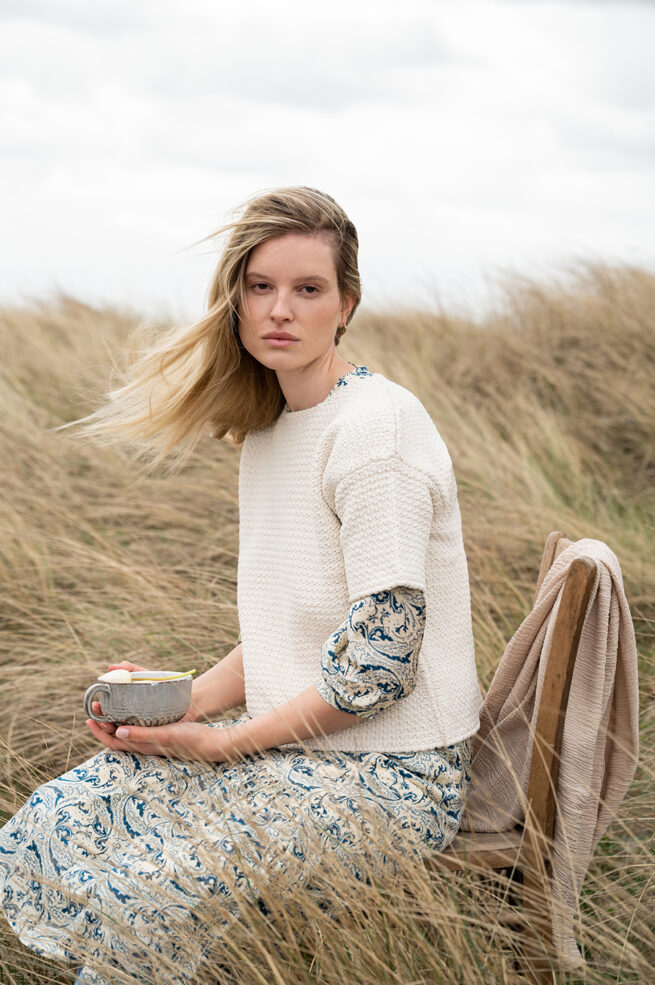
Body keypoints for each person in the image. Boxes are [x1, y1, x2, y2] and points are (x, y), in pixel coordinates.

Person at [0, 186, 482, 985]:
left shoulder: (376, 433)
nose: (279, 309)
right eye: (261, 286)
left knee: (149, 890)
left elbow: (375, 670)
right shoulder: (274, 427)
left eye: (307, 288)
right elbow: (294, 628)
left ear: (346, 305)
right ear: (236, 299)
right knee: (63, 815)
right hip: (303, 750)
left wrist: (224, 743)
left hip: (392, 777)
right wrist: (182, 702)